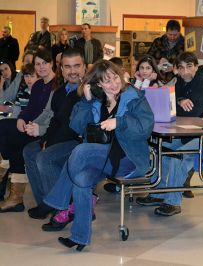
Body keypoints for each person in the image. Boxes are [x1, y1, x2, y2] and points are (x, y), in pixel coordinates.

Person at [38, 59, 154, 251]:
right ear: (98, 84)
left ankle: (57, 202)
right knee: (81, 179)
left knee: (80, 151)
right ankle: (80, 237)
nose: (114, 83)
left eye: (115, 77)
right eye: (107, 81)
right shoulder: (94, 100)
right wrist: (87, 101)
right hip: (101, 158)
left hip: (128, 158)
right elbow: (76, 126)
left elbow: (145, 127)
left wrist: (120, 122)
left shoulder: (134, 96)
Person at [136, 51, 203, 216]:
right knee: (162, 148)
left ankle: (173, 202)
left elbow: (192, 112)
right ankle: (157, 193)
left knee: (177, 155)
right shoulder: (181, 80)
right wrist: (180, 100)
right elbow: (171, 100)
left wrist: (176, 102)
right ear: (176, 69)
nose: (185, 72)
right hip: (186, 132)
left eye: (189, 67)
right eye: (181, 68)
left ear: (195, 66)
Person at [23, 48, 86, 210]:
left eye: (76, 66)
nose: (72, 71)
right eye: (68, 67)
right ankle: (44, 201)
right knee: (30, 150)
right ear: (62, 69)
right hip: (61, 137)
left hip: (80, 141)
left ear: (84, 67)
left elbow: (71, 128)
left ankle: (60, 207)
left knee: (45, 158)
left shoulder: (87, 91)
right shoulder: (60, 92)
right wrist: (45, 140)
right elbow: (55, 121)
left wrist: (49, 144)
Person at [0, 49, 55, 212]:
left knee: (4, 131)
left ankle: (12, 192)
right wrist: (22, 118)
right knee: (14, 147)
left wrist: (31, 124)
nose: (41, 67)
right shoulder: (39, 84)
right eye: (38, 64)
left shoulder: (56, 84)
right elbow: (30, 108)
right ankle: (15, 199)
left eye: (44, 63)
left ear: (51, 64)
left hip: (44, 130)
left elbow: (49, 114)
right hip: (29, 125)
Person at [0, 50, 36, 116]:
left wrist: (9, 108)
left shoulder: (39, 80)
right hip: (17, 113)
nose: (30, 64)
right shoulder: (20, 76)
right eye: (27, 61)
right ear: (22, 63)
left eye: (32, 61)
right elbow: (5, 98)